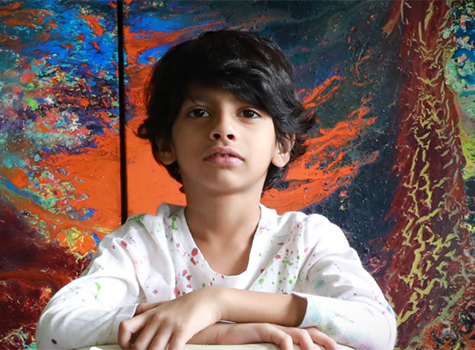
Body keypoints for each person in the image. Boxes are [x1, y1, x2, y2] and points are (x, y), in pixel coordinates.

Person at [36, 30, 397, 350]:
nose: (223, 128)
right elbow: (55, 330)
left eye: (249, 113)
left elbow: (377, 330)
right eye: (198, 113)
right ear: (165, 144)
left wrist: (218, 303)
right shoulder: (141, 245)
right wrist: (219, 334)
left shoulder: (307, 241)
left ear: (282, 146)